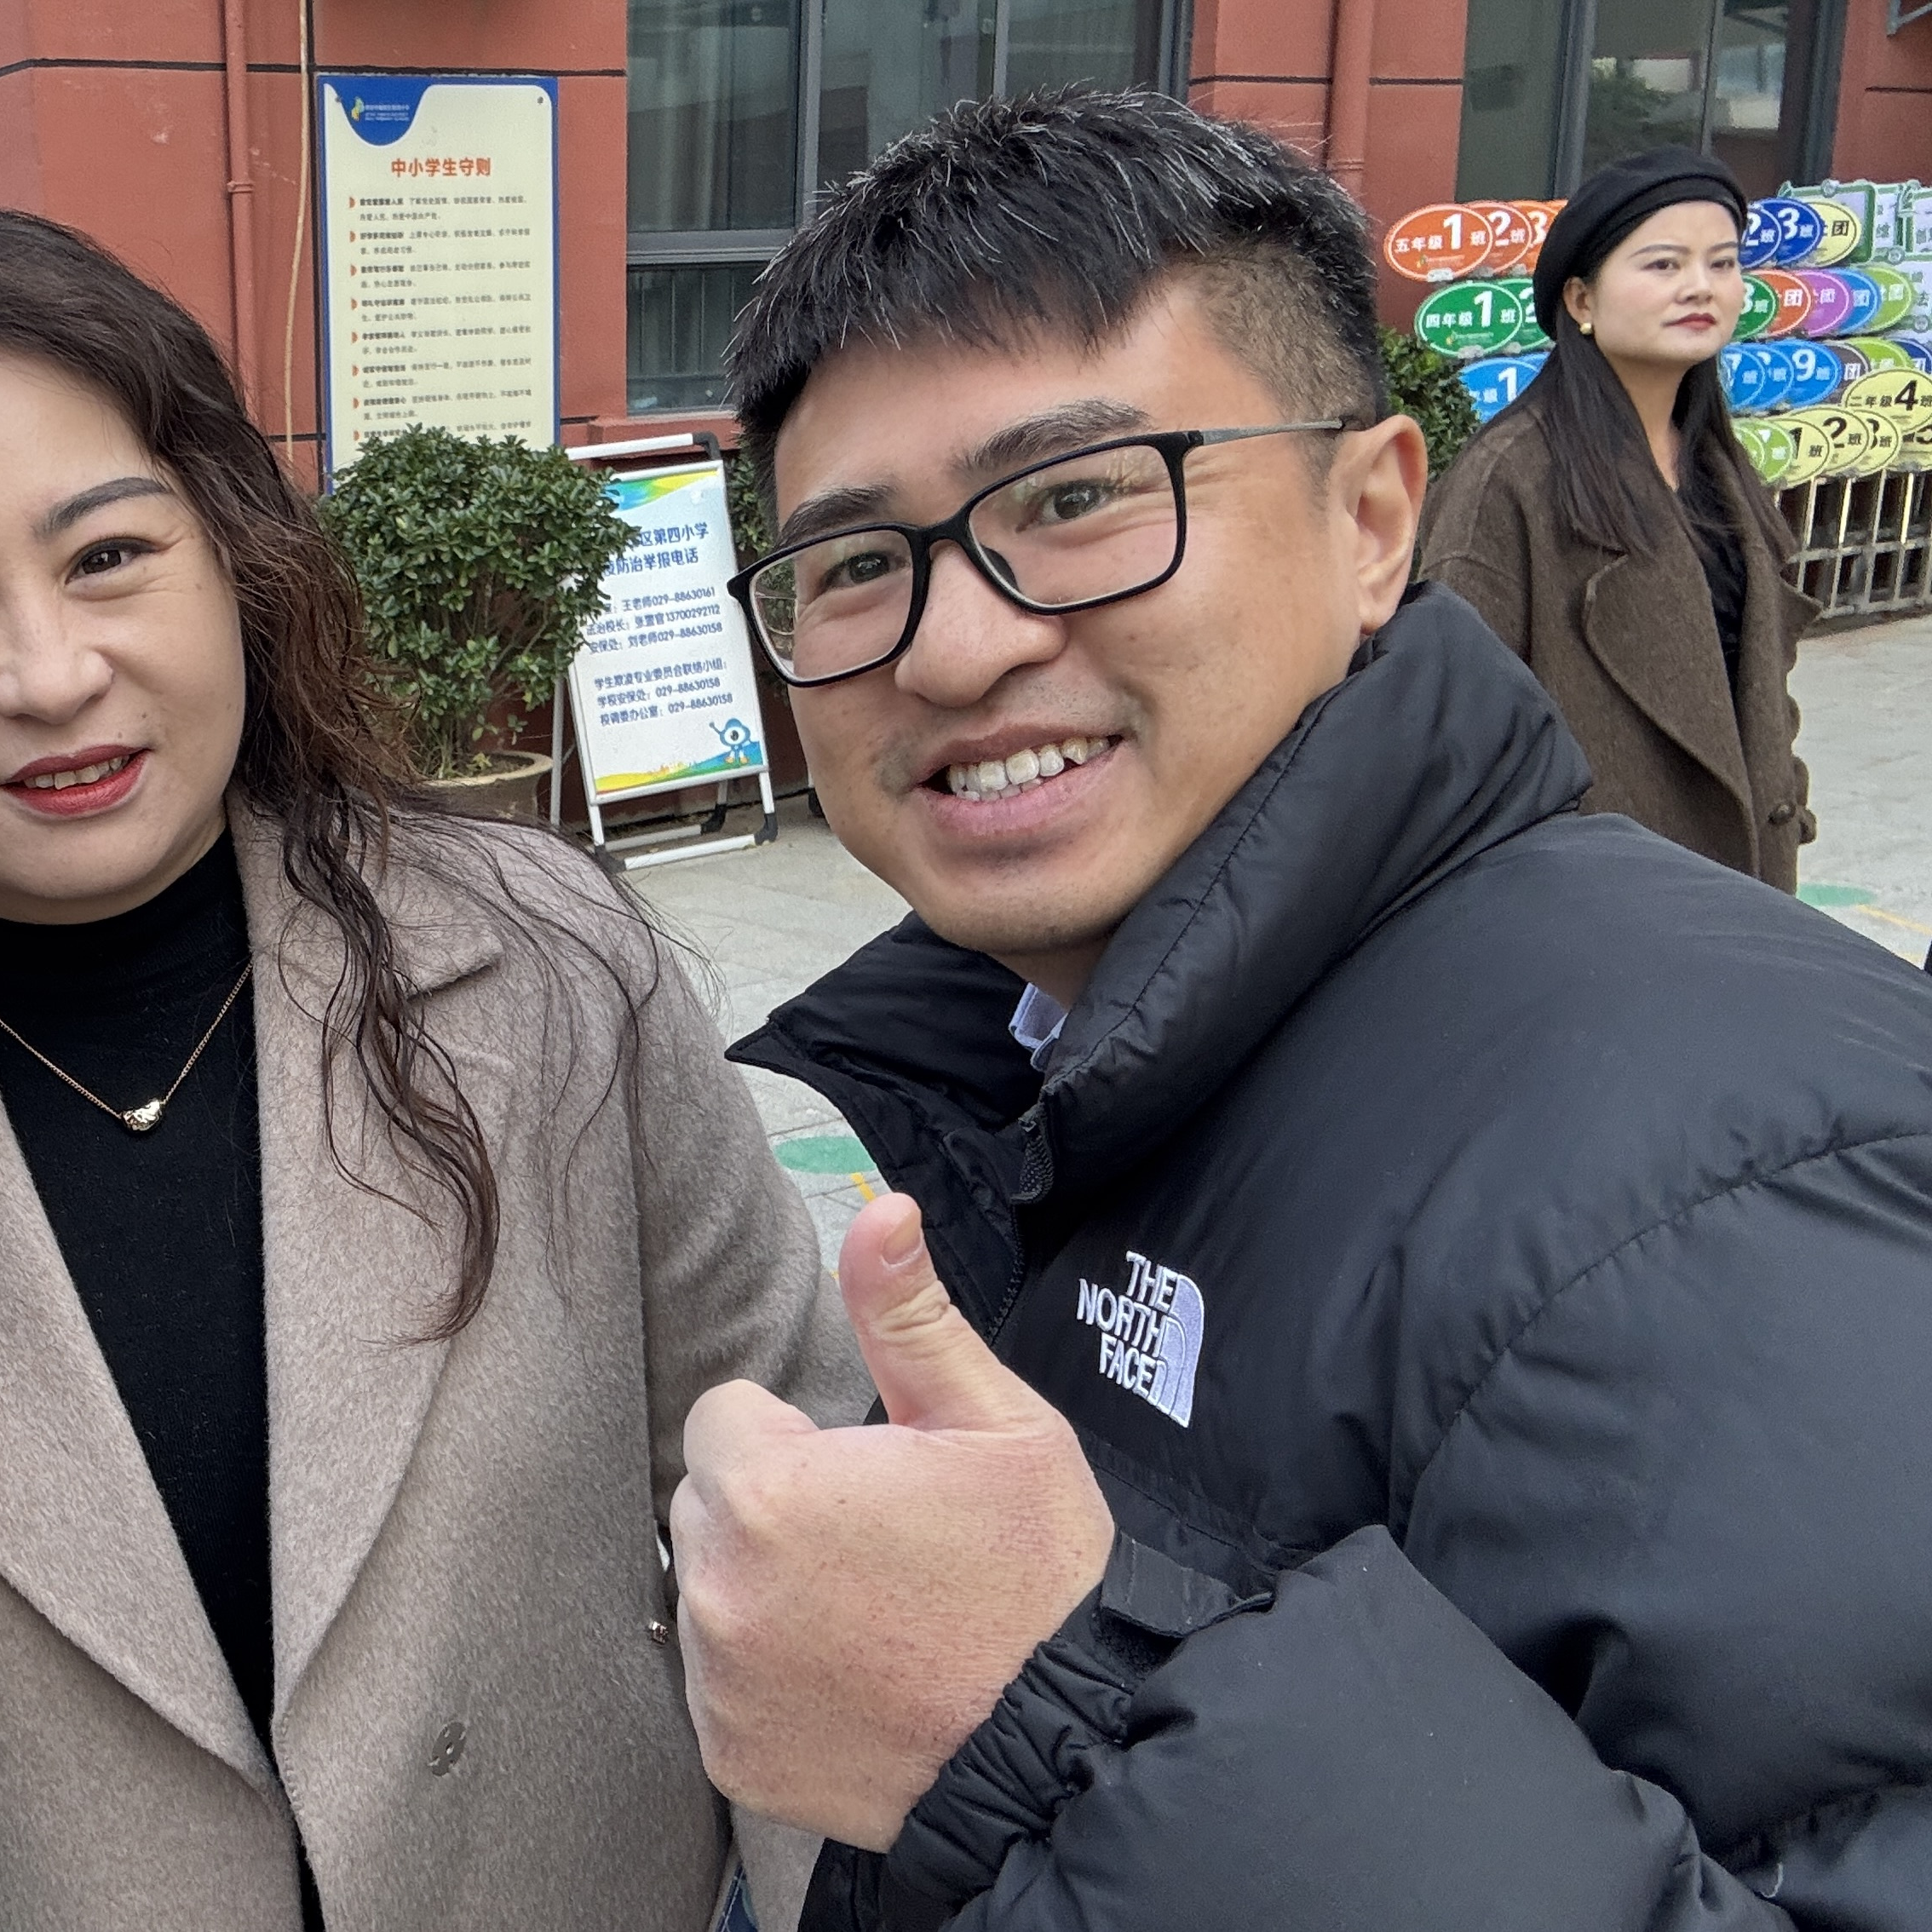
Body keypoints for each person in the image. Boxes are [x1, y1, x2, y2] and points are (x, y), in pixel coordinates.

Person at [676, 89, 1932, 1929]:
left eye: (1078, 498)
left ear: (1372, 519)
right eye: (857, 564)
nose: (952, 646)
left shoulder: (1749, 1184)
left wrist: (1042, 1729)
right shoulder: (1066, 1067)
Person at [0, 210, 865, 1931]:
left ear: (231, 559)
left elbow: (798, 1469)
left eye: (109, 554)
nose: (51, 673)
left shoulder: (553, 963)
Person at [1422, 146, 1817, 891]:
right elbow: (1452, 736)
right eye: (1663, 264)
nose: (1700, 286)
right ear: (1581, 301)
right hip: (1603, 904)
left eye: (1723, 263)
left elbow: (1760, 677)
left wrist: (1787, 800)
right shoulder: (1510, 479)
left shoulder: (1718, 466)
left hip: (1746, 898)